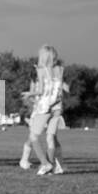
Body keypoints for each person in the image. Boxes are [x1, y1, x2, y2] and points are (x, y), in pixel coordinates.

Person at [20, 45, 66, 175]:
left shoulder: (41, 70)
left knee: (34, 136)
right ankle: (52, 168)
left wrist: (29, 94)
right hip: (57, 107)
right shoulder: (60, 69)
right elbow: (61, 90)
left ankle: (45, 164)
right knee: (50, 138)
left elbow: (40, 91)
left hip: (44, 107)